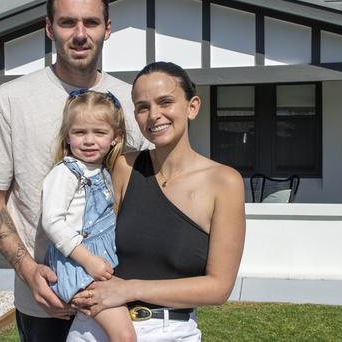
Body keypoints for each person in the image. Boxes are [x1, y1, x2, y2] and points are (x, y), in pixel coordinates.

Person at [0, 0, 148, 341]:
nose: (80, 34)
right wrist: (27, 269)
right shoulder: (10, 100)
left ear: (107, 28)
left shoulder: (132, 100)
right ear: (49, 28)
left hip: (117, 289)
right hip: (46, 299)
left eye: (91, 22)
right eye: (68, 22)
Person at [68, 62, 246, 341]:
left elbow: (219, 287)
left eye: (165, 102)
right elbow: (86, 239)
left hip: (170, 330)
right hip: (97, 326)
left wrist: (131, 289)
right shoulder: (123, 168)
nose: (154, 115)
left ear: (193, 106)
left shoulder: (224, 183)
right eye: (142, 106)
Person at [42, 89, 136, 342]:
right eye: (80, 132)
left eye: (99, 132)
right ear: (67, 137)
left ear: (115, 138)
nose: (89, 140)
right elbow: (52, 221)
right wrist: (88, 260)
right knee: (124, 336)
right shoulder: (66, 172)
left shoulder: (102, 171)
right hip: (78, 266)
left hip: (95, 264)